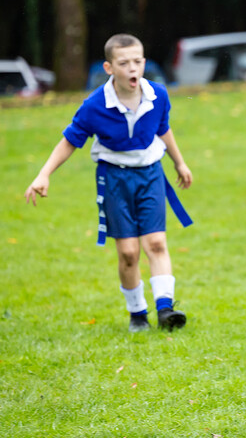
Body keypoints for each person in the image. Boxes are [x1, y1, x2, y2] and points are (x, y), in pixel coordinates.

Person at [24, 33, 193, 333]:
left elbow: (163, 129)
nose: (133, 69)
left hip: (151, 174)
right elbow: (70, 141)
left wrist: (179, 162)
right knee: (128, 253)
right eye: (124, 63)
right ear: (109, 67)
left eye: (138, 62)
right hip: (114, 178)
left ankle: (165, 309)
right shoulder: (94, 105)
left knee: (155, 242)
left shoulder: (157, 95)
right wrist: (43, 174)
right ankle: (137, 313)